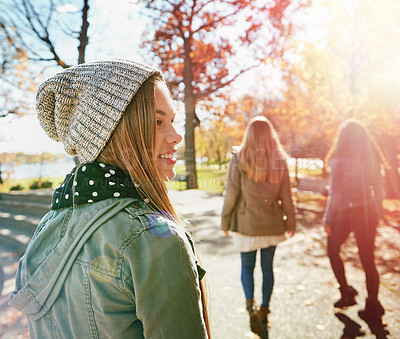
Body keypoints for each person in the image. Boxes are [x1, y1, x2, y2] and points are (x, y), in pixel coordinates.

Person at [9, 59, 210, 338]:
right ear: (112, 133)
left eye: (172, 121)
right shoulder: (152, 239)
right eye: (157, 121)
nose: (176, 136)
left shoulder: (47, 226)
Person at [221, 116, 296, 337]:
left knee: (247, 267)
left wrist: (225, 221)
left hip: (246, 225)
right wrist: (290, 223)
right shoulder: (279, 160)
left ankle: (250, 305)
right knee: (267, 269)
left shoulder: (239, 157)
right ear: (271, 135)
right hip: (272, 224)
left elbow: (231, 193)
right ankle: (265, 309)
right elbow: (287, 197)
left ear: (249, 135)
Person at [323, 119, 387, 323]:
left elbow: (335, 194)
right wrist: (377, 213)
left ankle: (346, 291)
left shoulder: (338, 161)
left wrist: (327, 218)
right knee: (368, 258)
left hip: (343, 214)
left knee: (332, 250)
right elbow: (379, 189)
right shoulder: (371, 159)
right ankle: (373, 304)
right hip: (367, 213)